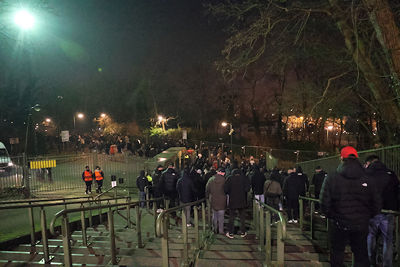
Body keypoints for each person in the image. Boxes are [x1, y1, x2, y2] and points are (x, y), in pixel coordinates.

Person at [320, 146, 381, 267]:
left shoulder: (332, 177)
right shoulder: (368, 178)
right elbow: (377, 203)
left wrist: (332, 215)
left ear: (342, 158)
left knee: (337, 254)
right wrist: (366, 216)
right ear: (357, 158)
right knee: (361, 255)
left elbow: (324, 202)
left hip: (339, 223)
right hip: (361, 224)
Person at [365, 154, 399, 267]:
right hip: (389, 212)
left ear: (369, 163)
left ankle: (371, 262)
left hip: (372, 212)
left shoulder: (367, 174)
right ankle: (387, 264)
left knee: (370, 236)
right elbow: (397, 192)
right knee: (387, 240)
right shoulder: (391, 173)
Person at [224, 166, 251, 239]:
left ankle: (231, 232)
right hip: (242, 200)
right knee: (242, 217)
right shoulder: (244, 178)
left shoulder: (229, 179)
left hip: (233, 200)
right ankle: (243, 231)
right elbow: (248, 189)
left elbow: (225, 190)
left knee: (232, 217)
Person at [206, 167, 227, 234]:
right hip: (222, 200)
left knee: (214, 215)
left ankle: (214, 229)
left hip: (213, 199)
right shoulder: (224, 180)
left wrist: (207, 197)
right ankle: (221, 230)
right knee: (221, 216)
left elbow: (207, 189)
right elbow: (227, 190)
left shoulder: (211, 179)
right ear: (221, 172)